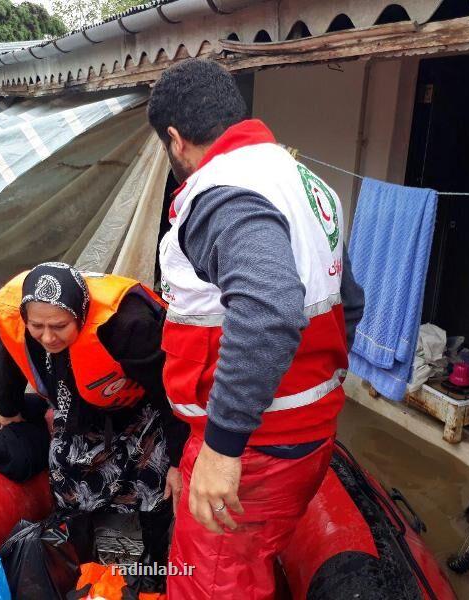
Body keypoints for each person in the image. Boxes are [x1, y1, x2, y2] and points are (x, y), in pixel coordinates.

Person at [147, 59, 366, 599]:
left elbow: (268, 307)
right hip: (303, 434)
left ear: (175, 139)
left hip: (252, 445)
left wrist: (223, 449)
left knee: (211, 582)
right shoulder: (306, 184)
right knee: (241, 567)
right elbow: (350, 303)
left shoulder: (221, 191)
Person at [0, 262, 189, 587]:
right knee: (66, 475)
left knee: (155, 484)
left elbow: (170, 390)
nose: (48, 336)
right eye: (37, 326)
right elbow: (8, 350)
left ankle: (153, 567)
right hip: (76, 404)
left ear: (80, 315)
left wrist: (179, 461)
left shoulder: (128, 325)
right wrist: (7, 408)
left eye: (59, 326)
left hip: (137, 407)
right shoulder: (18, 317)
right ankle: (80, 563)